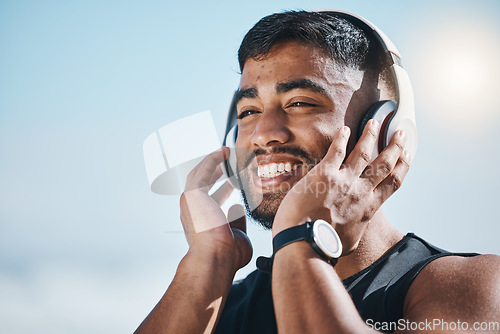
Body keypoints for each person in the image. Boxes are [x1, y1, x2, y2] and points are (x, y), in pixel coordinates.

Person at [135, 10, 500, 334]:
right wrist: (209, 261)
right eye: (248, 111)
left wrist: (302, 240)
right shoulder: (215, 309)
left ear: (385, 130)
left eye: (299, 103)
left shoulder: (469, 285)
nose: (263, 134)